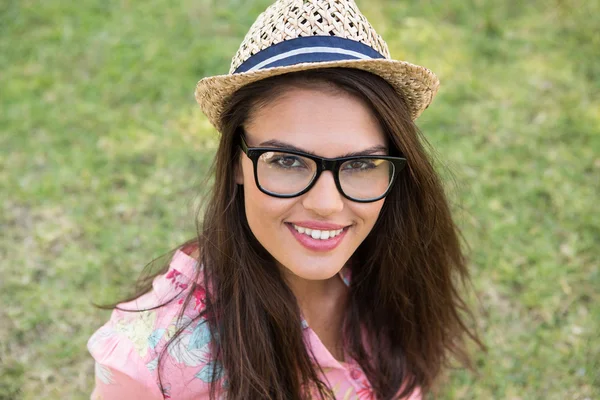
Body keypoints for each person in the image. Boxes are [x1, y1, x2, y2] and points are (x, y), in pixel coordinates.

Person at [87, 0, 481, 399]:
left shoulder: (400, 269)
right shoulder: (151, 359)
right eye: (288, 160)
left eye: (361, 164)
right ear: (237, 163)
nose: (326, 204)